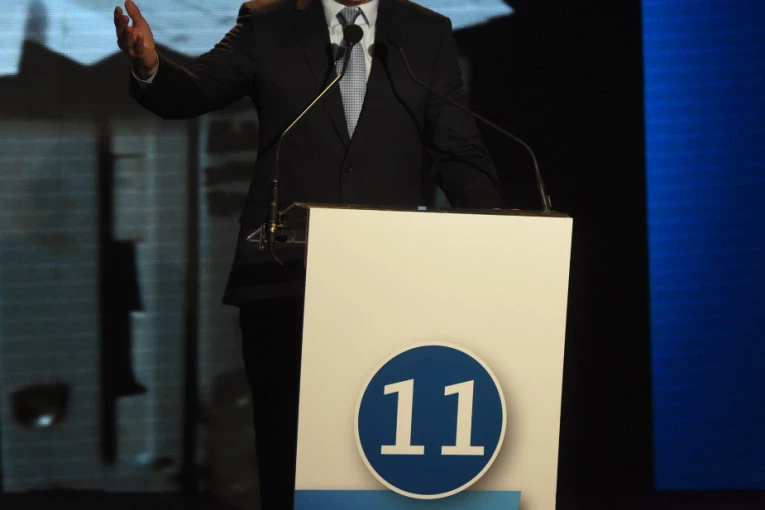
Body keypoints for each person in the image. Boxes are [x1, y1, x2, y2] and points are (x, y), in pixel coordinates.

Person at [114, 0, 505, 508]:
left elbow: (458, 151)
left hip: (391, 286)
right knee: (290, 459)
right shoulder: (269, 22)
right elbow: (195, 89)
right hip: (284, 281)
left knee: (375, 461)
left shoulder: (425, 32)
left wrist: (501, 231)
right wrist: (150, 68)